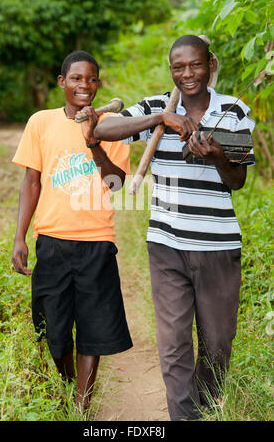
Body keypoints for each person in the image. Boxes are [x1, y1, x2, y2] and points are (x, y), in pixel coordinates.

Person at [94, 35, 255, 421]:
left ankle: (204, 409)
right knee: (174, 344)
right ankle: (182, 416)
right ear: (171, 71)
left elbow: (237, 182)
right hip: (165, 244)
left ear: (209, 64)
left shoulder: (233, 110)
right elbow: (104, 128)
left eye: (195, 65)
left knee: (217, 346)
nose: (188, 74)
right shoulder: (155, 106)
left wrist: (217, 156)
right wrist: (160, 119)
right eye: (179, 67)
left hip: (217, 247)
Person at [11, 50, 133, 413]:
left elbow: (115, 183)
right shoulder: (41, 122)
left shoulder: (113, 125)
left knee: (94, 328)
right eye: (77, 79)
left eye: (92, 79)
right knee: (54, 329)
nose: (85, 85)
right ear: (62, 82)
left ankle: (81, 406)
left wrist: (93, 138)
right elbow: (31, 181)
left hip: (96, 241)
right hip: (51, 240)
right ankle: (68, 388)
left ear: (99, 84)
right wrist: (19, 237)